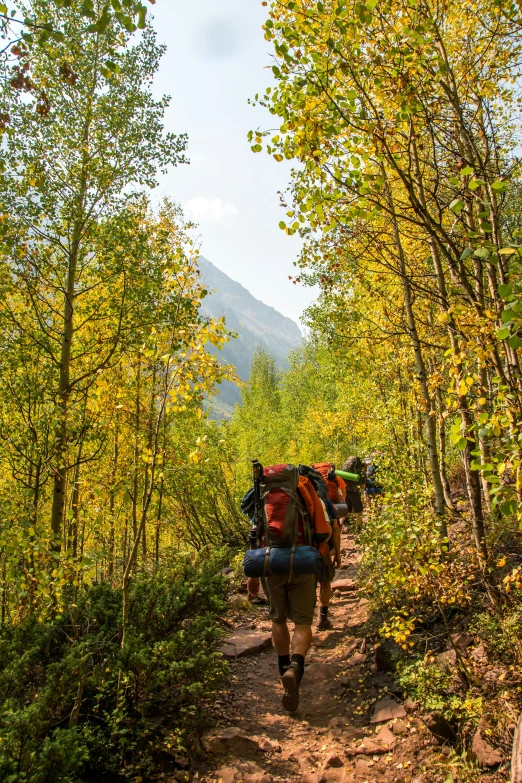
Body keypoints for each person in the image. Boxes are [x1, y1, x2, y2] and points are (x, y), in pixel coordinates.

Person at [261, 467, 332, 712]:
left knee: (278, 620)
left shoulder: (262, 490)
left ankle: (283, 670)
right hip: (302, 562)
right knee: (302, 623)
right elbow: (323, 530)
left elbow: (254, 530)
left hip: (271, 564)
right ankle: (296, 666)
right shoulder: (304, 486)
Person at [311, 462, 345, 630]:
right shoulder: (322, 500)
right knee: (325, 582)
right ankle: (322, 617)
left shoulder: (298, 498)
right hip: (322, 546)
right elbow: (335, 529)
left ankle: (303, 618)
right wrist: (337, 553)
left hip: (301, 547)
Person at [340, 456, 365, 530]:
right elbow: (363, 486)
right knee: (359, 510)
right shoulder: (359, 470)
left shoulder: (344, 468)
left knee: (348, 511)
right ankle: (358, 527)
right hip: (354, 492)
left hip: (345, 491)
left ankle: (341, 527)